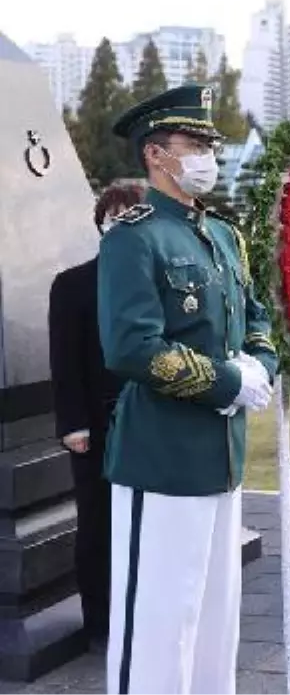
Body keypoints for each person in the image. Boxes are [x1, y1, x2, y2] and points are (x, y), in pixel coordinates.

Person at [96, 83, 278, 695]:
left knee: (213, 615)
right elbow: (132, 347)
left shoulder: (222, 234)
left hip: (221, 453)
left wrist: (261, 365)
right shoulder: (134, 236)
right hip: (163, 456)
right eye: (194, 142)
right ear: (155, 153)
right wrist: (227, 381)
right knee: (159, 618)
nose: (208, 155)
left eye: (210, 143)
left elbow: (255, 317)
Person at [48, 181, 146, 653]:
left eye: (134, 215)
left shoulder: (157, 280)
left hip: (153, 422)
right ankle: (100, 623)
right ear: (102, 224)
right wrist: (72, 425)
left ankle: (144, 615)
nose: (123, 223)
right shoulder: (72, 285)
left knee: (150, 525)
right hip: (97, 427)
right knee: (98, 524)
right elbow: (63, 361)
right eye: (115, 216)